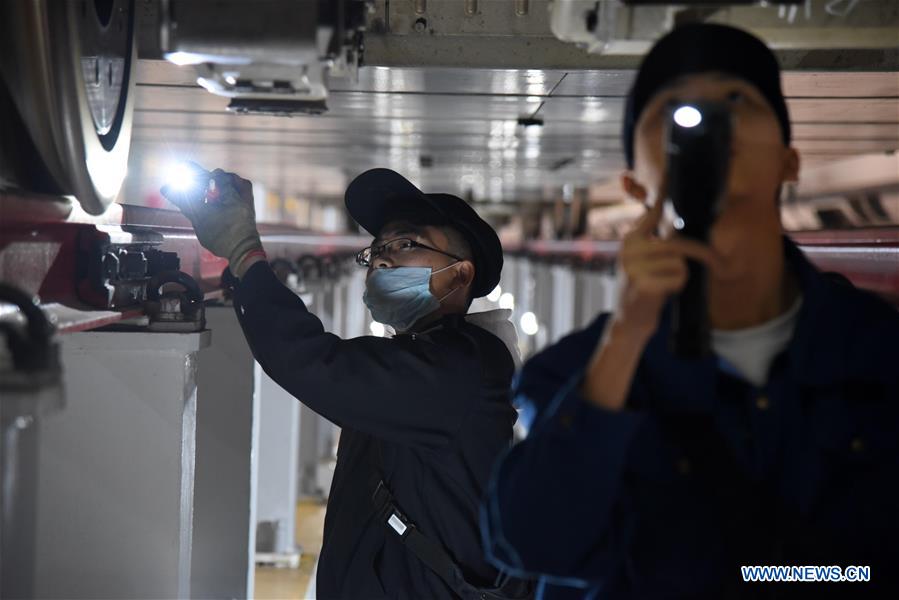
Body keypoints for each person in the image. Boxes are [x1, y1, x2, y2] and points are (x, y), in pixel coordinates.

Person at [481, 23, 899, 599]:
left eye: (737, 100)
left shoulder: (877, 350)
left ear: (789, 161)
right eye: (671, 112)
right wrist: (627, 335)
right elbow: (535, 540)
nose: (709, 126)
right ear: (634, 184)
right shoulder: (577, 373)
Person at [163, 167, 530, 599]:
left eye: (406, 244)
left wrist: (244, 253)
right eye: (377, 249)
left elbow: (312, 361)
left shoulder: (457, 371)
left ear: (460, 275)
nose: (382, 259)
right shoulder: (424, 359)